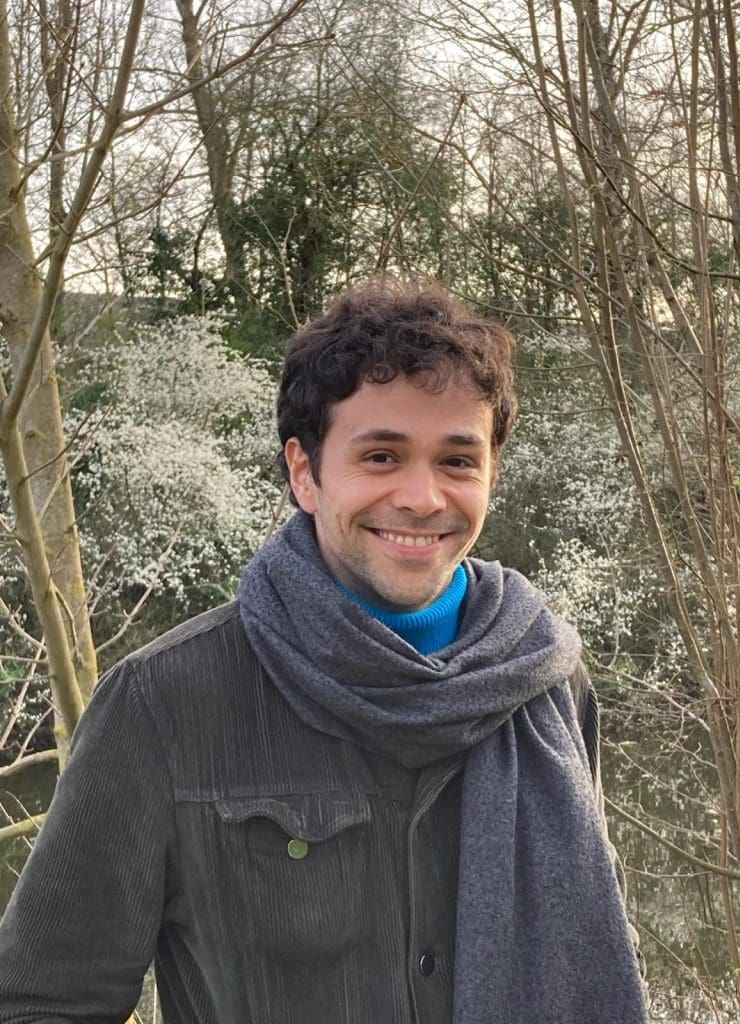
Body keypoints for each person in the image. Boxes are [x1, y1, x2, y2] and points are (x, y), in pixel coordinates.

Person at [0, 279, 648, 1023]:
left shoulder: (548, 685)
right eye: (380, 456)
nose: (422, 497)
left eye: (457, 461)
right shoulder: (163, 703)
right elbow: (40, 1004)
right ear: (305, 472)